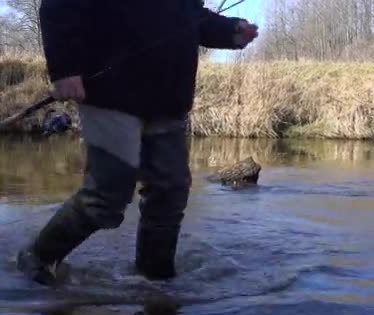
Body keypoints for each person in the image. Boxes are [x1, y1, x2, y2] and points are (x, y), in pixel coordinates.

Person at [17, 0, 259, 286]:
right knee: (108, 194)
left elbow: (188, 17)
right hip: (109, 94)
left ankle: (155, 278)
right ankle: (38, 257)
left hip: (167, 99)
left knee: (170, 190)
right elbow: (59, 7)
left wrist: (229, 30)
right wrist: (64, 69)